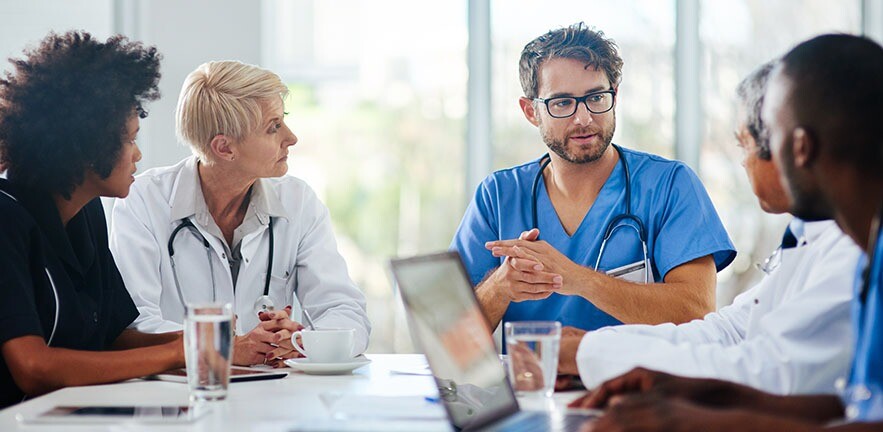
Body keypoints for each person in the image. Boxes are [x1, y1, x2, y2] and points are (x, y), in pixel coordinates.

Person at [571, 34, 883, 430]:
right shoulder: (867, 247)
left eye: (766, 136)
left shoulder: (857, 254)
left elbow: (779, 372)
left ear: (800, 147)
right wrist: (702, 393)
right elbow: (857, 406)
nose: (753, 158)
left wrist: (696, 421)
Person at [451, 22, 736, 333]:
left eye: (596, 97)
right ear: (531, 111)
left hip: (639, 382)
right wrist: (499, 289)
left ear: (615, 95)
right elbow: (450, 337)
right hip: (536, 382)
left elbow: (696, 311)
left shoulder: (669, 185)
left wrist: (577, 278)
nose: (584, 118)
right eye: (562, 103)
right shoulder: (498, 196)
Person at [110, 60, 370, 366]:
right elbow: (134, 325)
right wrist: (227, 347)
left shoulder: (298, 202)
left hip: (276, 400)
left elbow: (346, 311)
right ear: (224, 148)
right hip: (181, 401)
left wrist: (300, 341)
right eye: (274, 127)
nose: (291, 137)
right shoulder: (143, 201)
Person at [0, 31, 184, 408]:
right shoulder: (6, 219)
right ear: (87, 144)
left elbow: (113, 338)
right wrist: (178, 353)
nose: (138, 155)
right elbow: (33, 367)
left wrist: (213, 341)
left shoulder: (88, 213)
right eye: (131, 140)